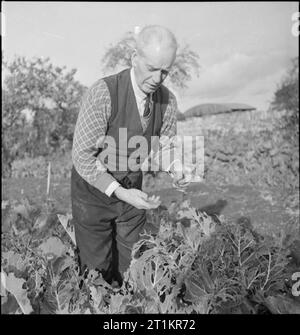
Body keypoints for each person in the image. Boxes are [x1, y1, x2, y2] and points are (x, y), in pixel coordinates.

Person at [71, 25, 188, 285]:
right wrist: (119, 191)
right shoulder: (103, 93)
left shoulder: (167, 101)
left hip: (133, 191)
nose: (158, 79)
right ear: (135, 58)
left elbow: (165, 145)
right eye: (152, 68)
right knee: (97, 274)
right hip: (93, 194)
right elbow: (82, 156)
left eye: (165, 71)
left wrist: (176, 168)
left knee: (134, 266)